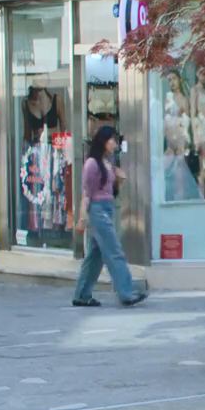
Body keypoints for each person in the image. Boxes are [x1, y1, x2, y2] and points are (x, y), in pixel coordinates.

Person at [73, 126, 146, 308]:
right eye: (112, 140)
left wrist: (119, 181)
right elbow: (87, 193)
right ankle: (126, 293)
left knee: (95, 256)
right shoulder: (92, 164)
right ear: (103, 141)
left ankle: (82, 294)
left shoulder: (107, 162)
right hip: (97, 210)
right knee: (114, 251)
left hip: (108, 208)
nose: (115, 143)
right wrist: (82, 218)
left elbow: (110, 192)